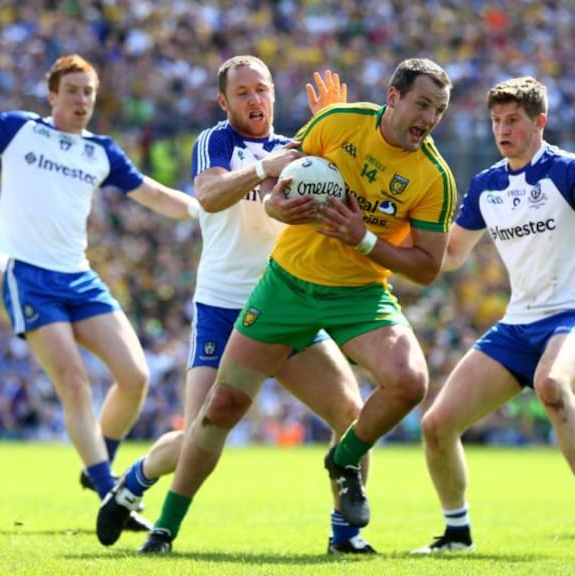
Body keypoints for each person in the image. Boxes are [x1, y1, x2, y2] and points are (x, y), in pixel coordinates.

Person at [136, 57, 456, 553]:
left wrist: (364, 239)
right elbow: (276, 189)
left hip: (360, 294)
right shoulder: (336, 122)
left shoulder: (434, 175)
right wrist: (273, 205)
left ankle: (344, 482)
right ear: (394, 98)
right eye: (422, 104)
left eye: (438, 109)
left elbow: (428, 268)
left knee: (410, 382)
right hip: (286, 286)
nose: (429, 118)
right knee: (219, 408)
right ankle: (164, 528)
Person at [0, 14, 201, 530]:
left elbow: (154, 195)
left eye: (89, 93)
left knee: (135, 376)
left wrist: (205, 209)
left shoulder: (102, 152)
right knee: (74, 384)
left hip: (78, 276)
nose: (82, 100)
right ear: (51, 95)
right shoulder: (19, 130)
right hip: (29, 274)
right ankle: (109, 492)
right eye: (73, 91)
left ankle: (98, 462)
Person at [95, 57, 376, 554]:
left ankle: (346, 538)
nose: (255, 100)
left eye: (262, 89)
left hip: (287, 304)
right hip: (224, 308)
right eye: (242, 92)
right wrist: (266, 169)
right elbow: (209, 195)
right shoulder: (216, 142)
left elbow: (346, 189)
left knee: (352, 414)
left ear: (273, 94)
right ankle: (136, 481)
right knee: (205, 430)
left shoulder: (300, 149)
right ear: (224, 102)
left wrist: (336, 134)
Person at [412, 77, 575, 558]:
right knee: (436, 424)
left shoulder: (569, 170)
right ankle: (456, 534)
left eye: (512, 119)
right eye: (495, 120)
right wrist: (383, 236)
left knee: (552, 384)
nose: (501, 129)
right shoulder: (487, 184)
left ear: (540, 122)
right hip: (518, 323)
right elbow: (450, 254)